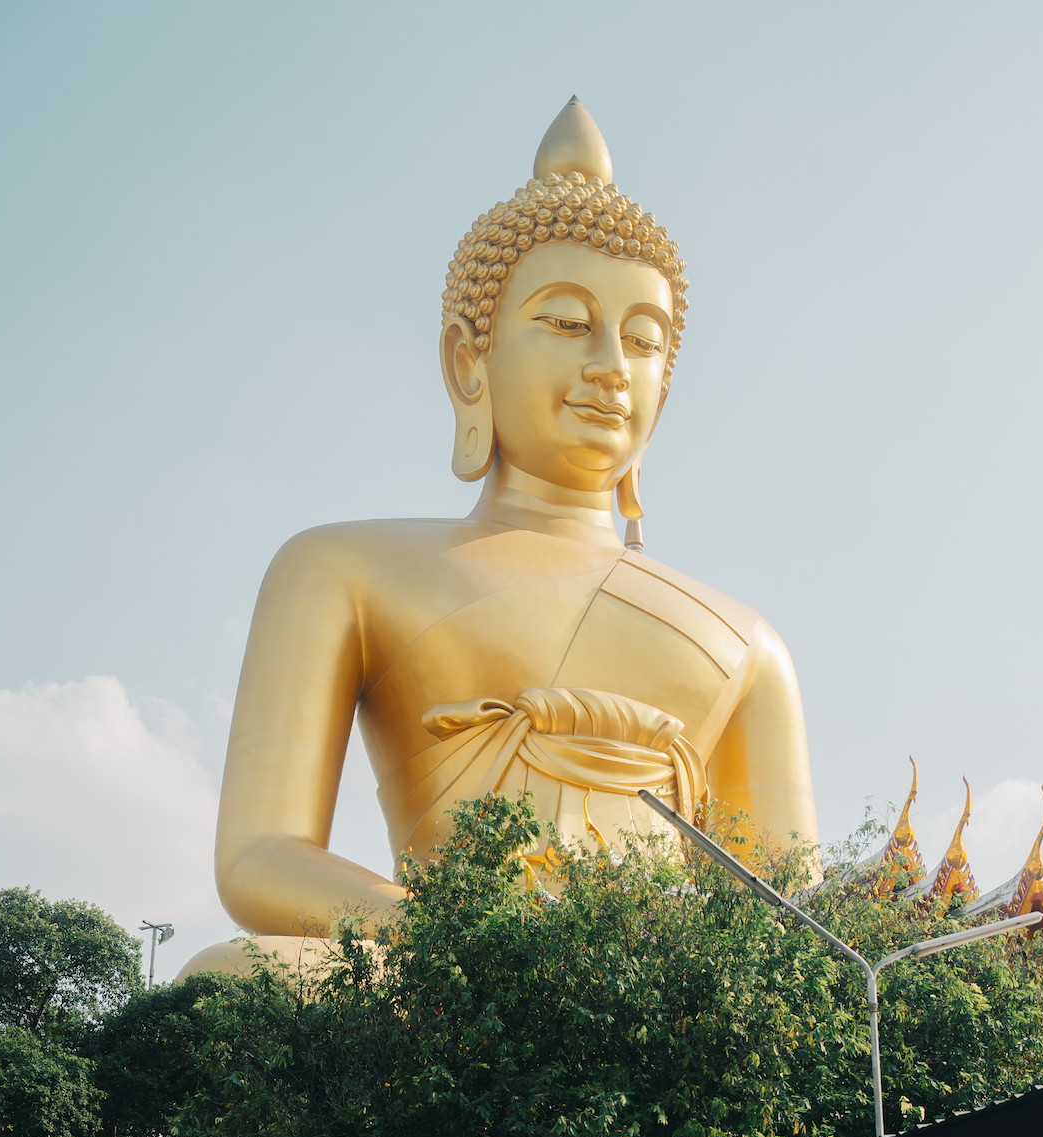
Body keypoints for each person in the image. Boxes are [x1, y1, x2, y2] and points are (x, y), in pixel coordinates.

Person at [178, 97, 818, 981]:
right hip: (445, 980)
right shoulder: (339, 568)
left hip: (659, 1018)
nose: (609, 366)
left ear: (663, 395)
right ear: (467, 362)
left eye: (643, 342)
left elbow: (790, 927)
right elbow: (259, 858)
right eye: (565, 322)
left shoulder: (749, 645)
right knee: (229, 980)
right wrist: (478, 953)